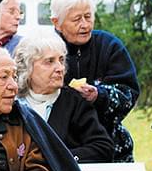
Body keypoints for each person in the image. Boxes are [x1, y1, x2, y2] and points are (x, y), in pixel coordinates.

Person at [50, 0, 140, 163]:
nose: (84, 25)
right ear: (56, 23)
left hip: (110, 145)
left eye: (88, 17)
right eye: (76, 19)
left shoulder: (109, 45)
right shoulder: (46, 49)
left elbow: (129, 94)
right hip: (57, 147)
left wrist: (99, 95)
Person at [15, 33, 113, 163]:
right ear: (27, 68)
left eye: (61, 60)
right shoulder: (12, 103)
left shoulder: (74, 102)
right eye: (50, 61)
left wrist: (61, 159)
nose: (60, 68)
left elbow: (103, 148)